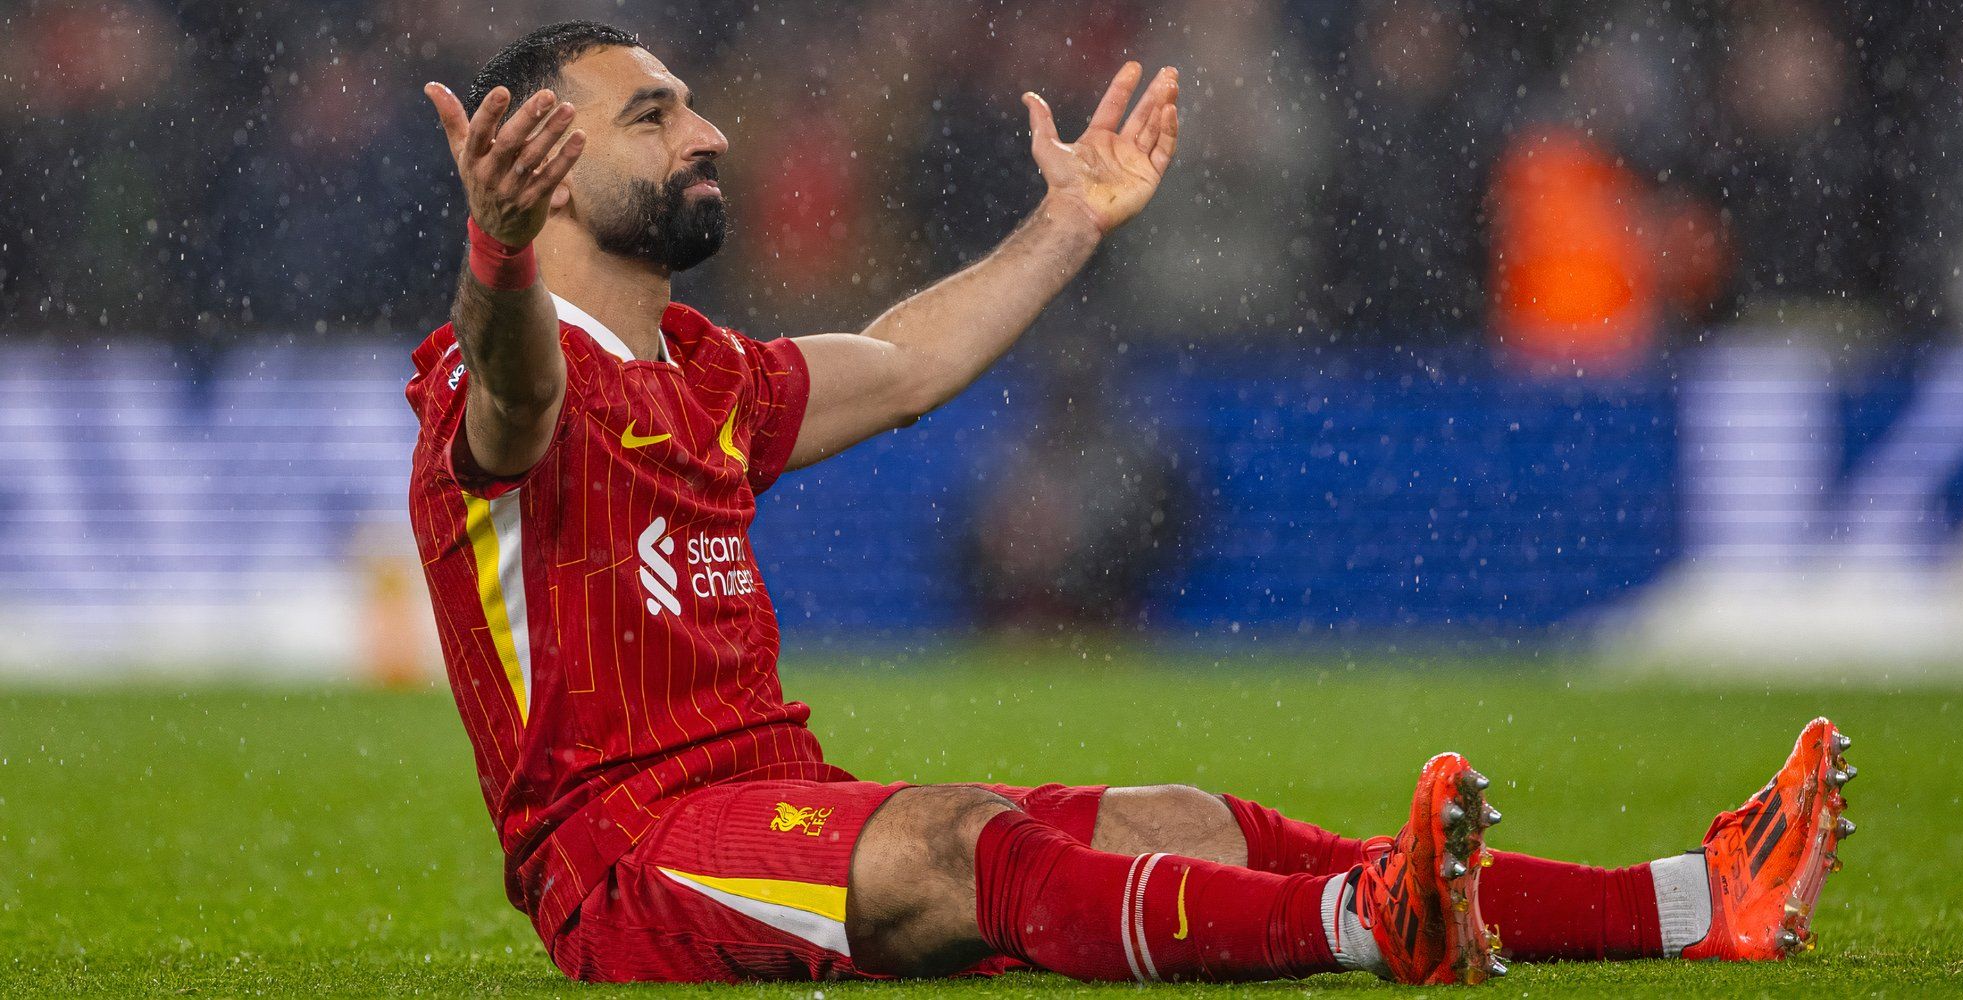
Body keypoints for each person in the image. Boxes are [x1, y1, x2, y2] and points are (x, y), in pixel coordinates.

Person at [404, 20, 1856, 986]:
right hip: (630, 854)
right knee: (962, 844)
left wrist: (1069, 221)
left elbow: (908, 363)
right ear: (546, 158)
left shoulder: (707, 370)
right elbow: (515, 400)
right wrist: (498, 253)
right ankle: (1372, 928)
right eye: (657, 114)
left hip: (772, 796)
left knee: (1193, 820)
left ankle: (1693, 898)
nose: (709, 131)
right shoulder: (488, 373)